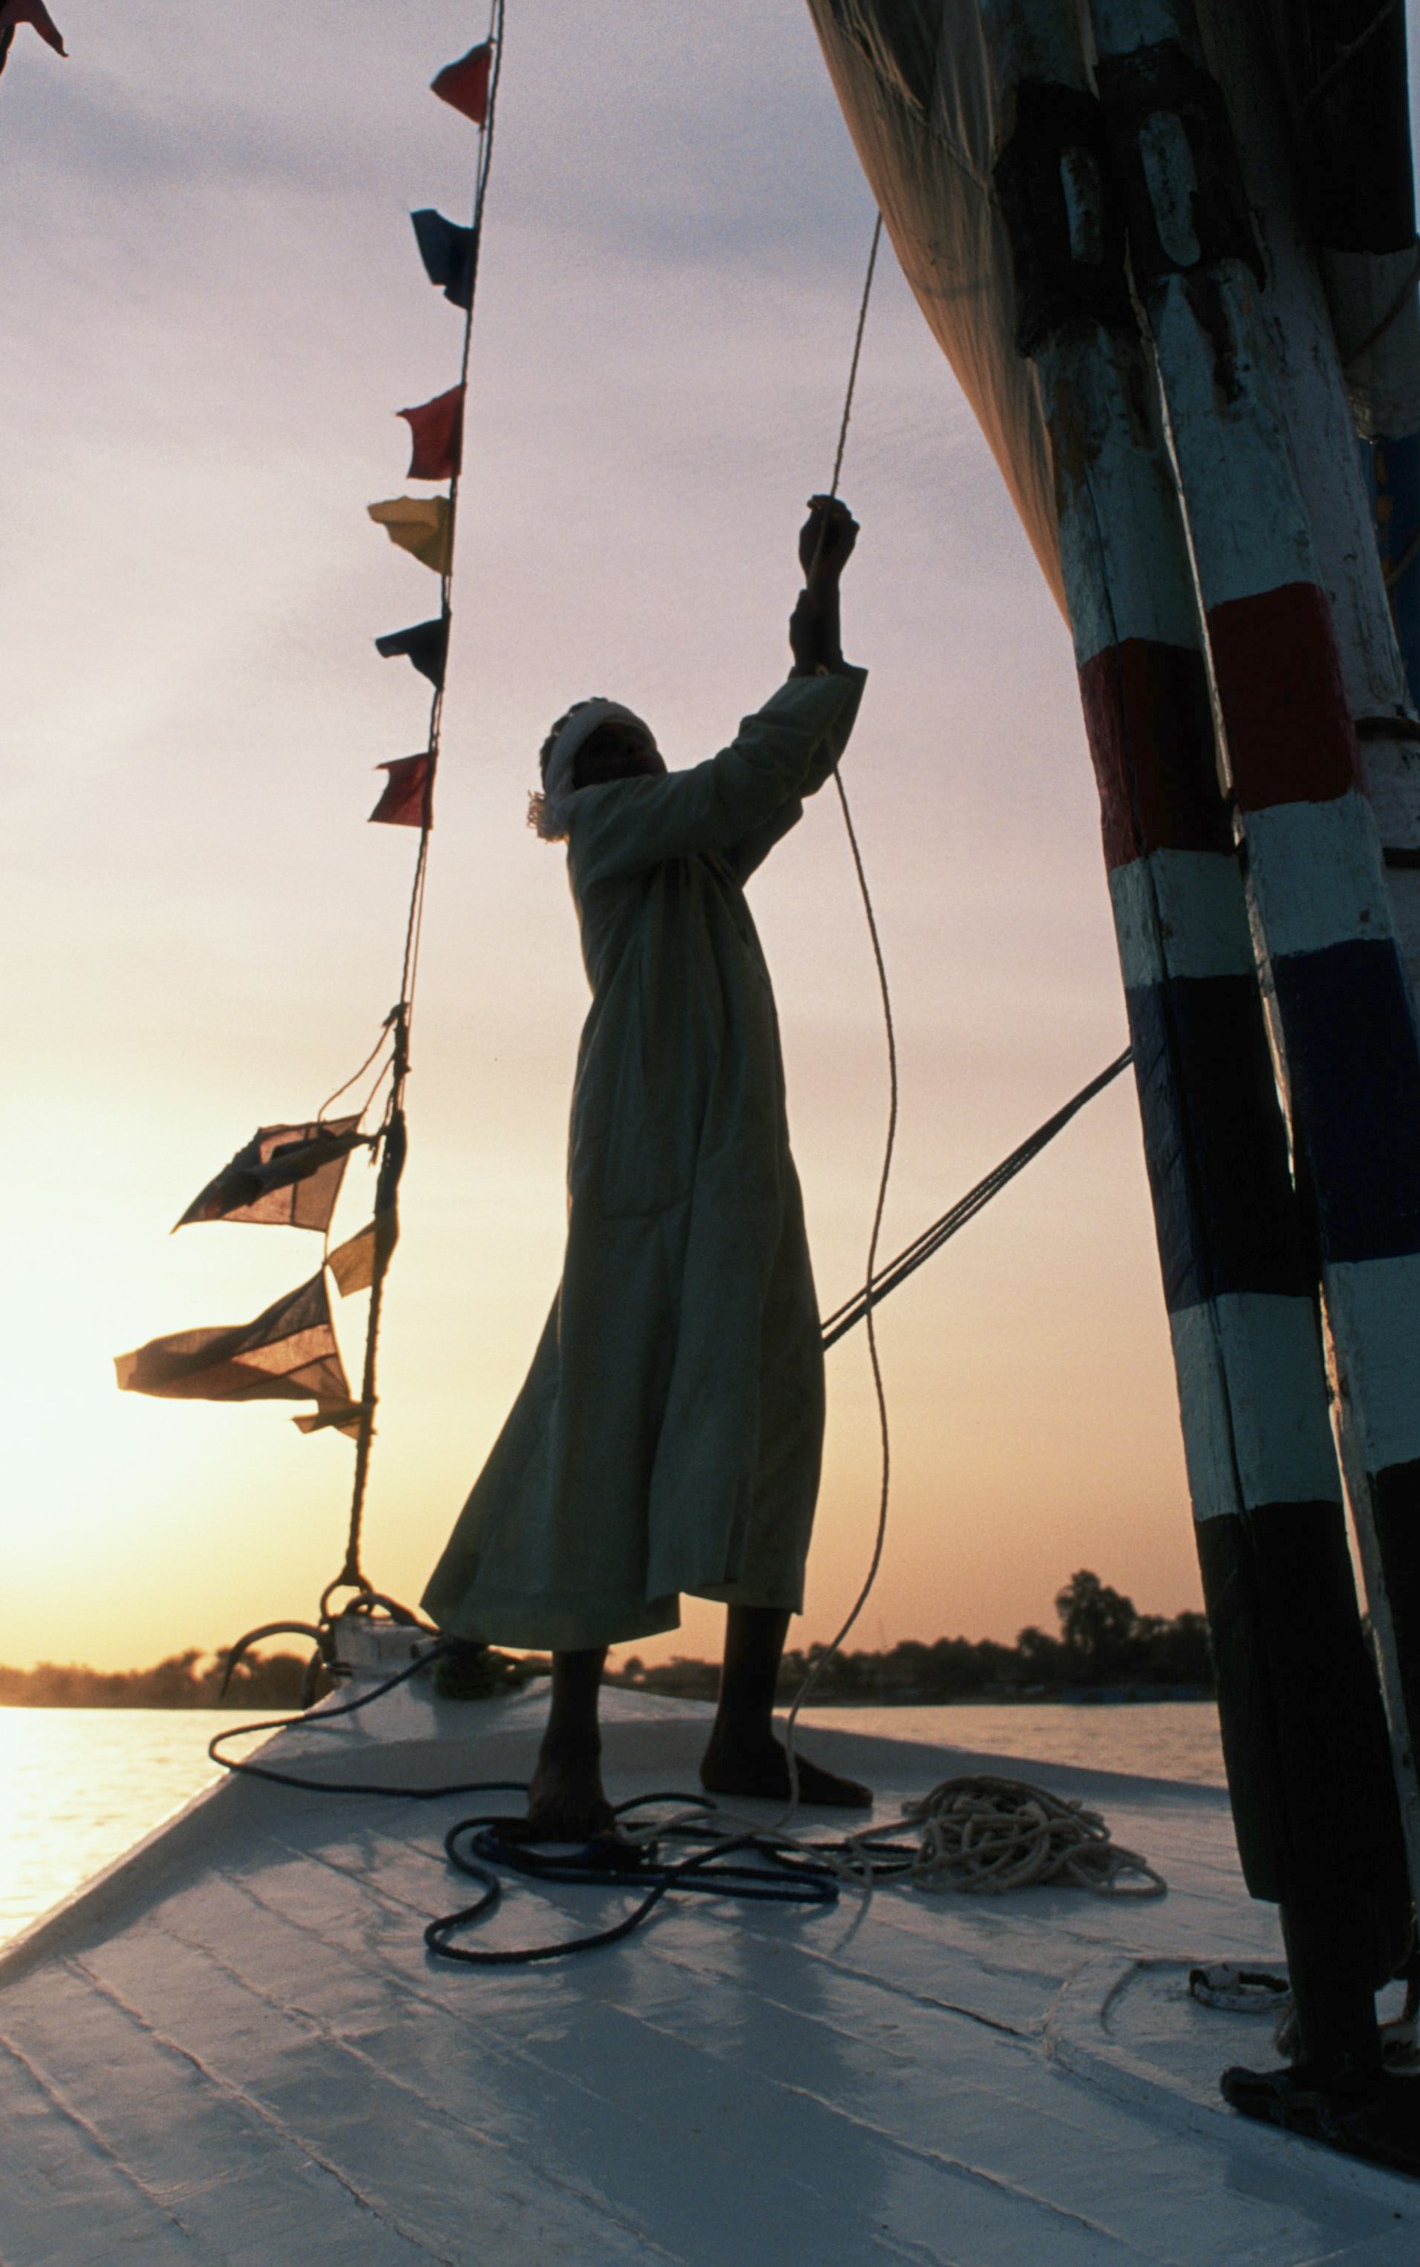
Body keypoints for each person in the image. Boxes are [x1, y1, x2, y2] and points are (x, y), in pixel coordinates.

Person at [424, 494, 873, 1838]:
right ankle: (568, 1753)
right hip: (633, 1160)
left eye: (638, 743)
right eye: (608, 751)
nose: (631, 755)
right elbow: (750, 773)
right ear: (569, 795)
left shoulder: (696, 858)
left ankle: (742, 1738)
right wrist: (808, 644)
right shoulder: (615, 840)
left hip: (732, 1164)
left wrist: (818, 618)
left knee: (764, 1411)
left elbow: (771, 777)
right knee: (605, 1422)